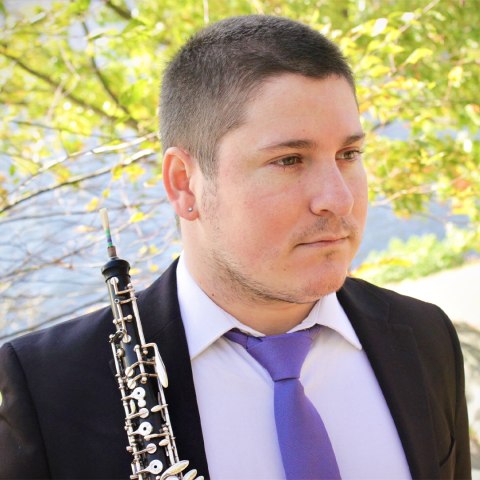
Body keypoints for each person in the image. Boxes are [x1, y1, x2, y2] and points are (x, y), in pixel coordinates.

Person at [0, 15, 470, 480]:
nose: (339, 198)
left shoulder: (424, 334)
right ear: (184, 184)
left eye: (348, 155)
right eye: (289, 160)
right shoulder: (48, 388)